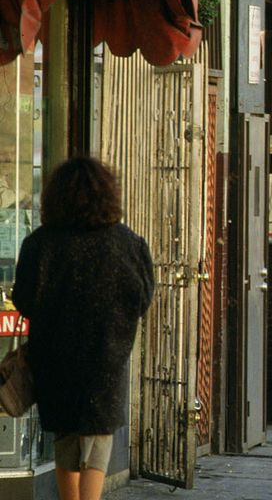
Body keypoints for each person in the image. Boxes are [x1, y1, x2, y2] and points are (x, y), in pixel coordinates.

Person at [13, 158, 154, 500]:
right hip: (107, 359)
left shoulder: (40, 243)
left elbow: (23, 298)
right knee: (98, 444)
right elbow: (143, 298)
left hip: (56, 361)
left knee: (65, 440)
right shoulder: (128, 244)